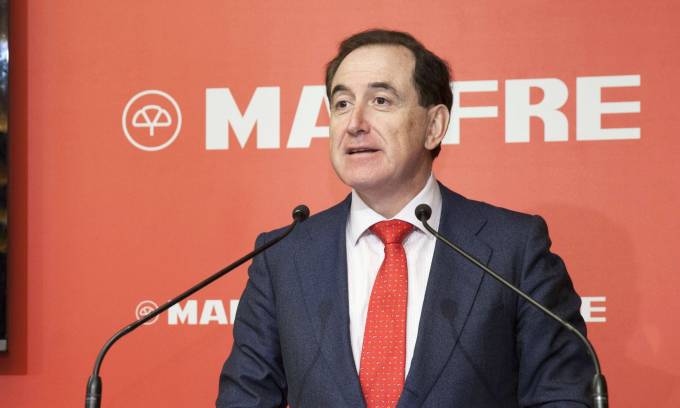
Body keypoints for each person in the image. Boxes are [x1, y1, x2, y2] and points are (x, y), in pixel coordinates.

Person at [217, 29, 593, 407]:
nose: (355, 123)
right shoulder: (284, 257)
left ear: (434, 126)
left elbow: (561, 397)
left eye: (381, 100)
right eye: (342, 103)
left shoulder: (513, 250)